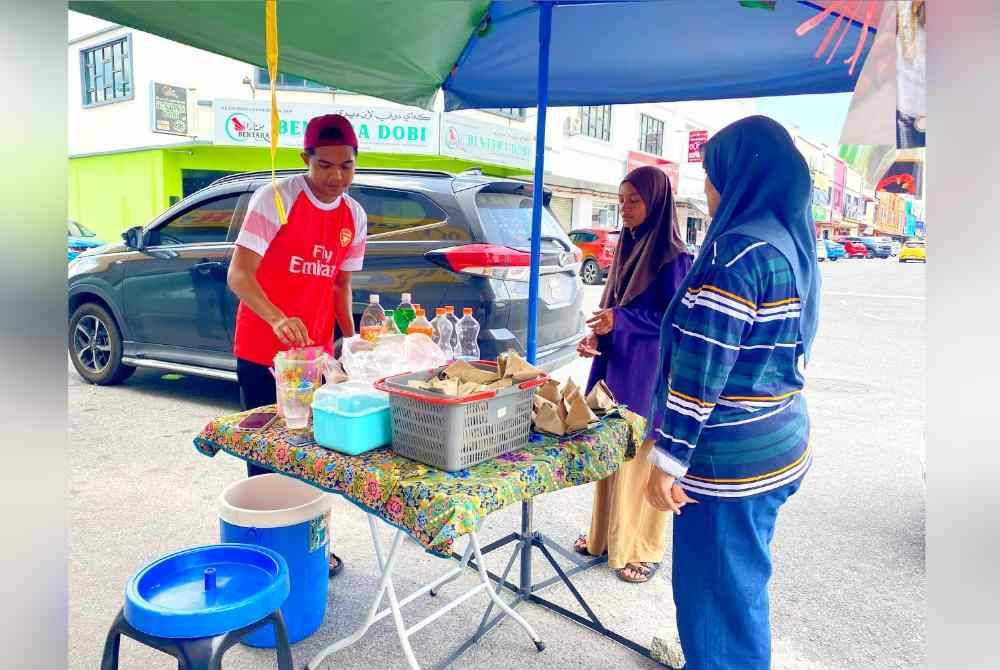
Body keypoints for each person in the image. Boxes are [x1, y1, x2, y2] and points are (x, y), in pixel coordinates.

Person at [643, 116, 819, 670]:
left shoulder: (736, 256)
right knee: (740, 583)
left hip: (729, 463)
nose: (705, 188)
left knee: (717, 602)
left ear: (738, 176)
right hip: (781, 439)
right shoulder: (789, 239)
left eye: (710, 175)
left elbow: (700, 374)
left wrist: (666, 461)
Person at [227, 114, 368, 578]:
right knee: (266, 457)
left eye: (346, 166)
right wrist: (277, 318)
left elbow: (340, 284)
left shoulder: (354, 215)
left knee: (315, 454)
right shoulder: (276, 200)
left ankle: (309, 549)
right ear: (305, 159)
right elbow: (239, 276)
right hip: (261, 351)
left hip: (316, 358)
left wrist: (351, 339)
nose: (336, 177)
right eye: (324, 165)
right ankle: (267, 559)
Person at [574, 166, 693, 583]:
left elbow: (672, 321)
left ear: (656, 201)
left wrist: (620, 321)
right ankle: (606, 537)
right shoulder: (628, 244)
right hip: (618, 363)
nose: (625, 208)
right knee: (614, 453)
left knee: (642, 460)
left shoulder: (675, 257)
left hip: (649, 373)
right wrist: (598, 337)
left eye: (634, 200)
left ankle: (644, 548)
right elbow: (615, 304)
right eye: (621, 199)